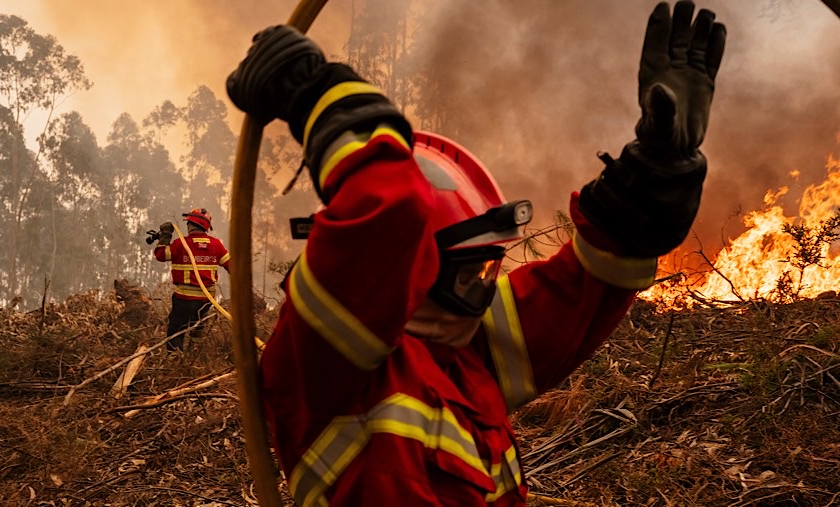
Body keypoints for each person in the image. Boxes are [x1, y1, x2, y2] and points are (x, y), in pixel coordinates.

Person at [226, 1, 725, 504]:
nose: (481, 292)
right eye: (467, 274)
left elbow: (578, 292)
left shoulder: (463, 358)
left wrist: (655, 178)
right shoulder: (326, 364)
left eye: (486, 270)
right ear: (407, 268)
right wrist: (317, 92)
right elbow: (388, 210)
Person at [153, 208, 231, 351]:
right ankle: (195, 355)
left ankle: (175, 360)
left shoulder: (180, 244)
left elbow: (160, 255)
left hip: (184, 299)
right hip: (207, 299)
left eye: (188, 223)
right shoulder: (216, 245)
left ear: (191, 225)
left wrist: (165, 235)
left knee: (176, 330)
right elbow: (232, 267)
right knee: (198, 328)